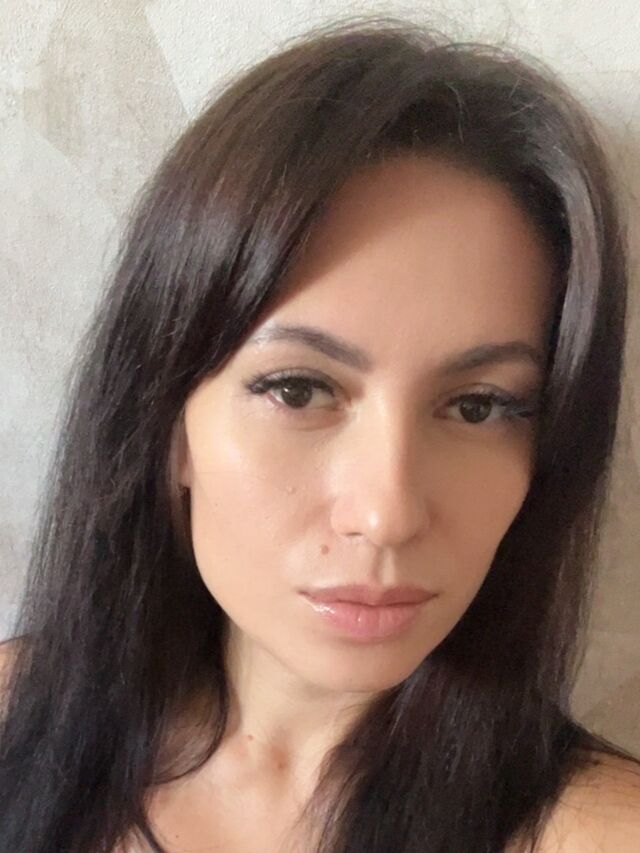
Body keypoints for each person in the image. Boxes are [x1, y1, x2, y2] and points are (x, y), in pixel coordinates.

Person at [1, 13, 639, 853]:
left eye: (479, 405)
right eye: (298, 389)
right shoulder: (16, 725)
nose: (386, 514)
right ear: (166, 421)